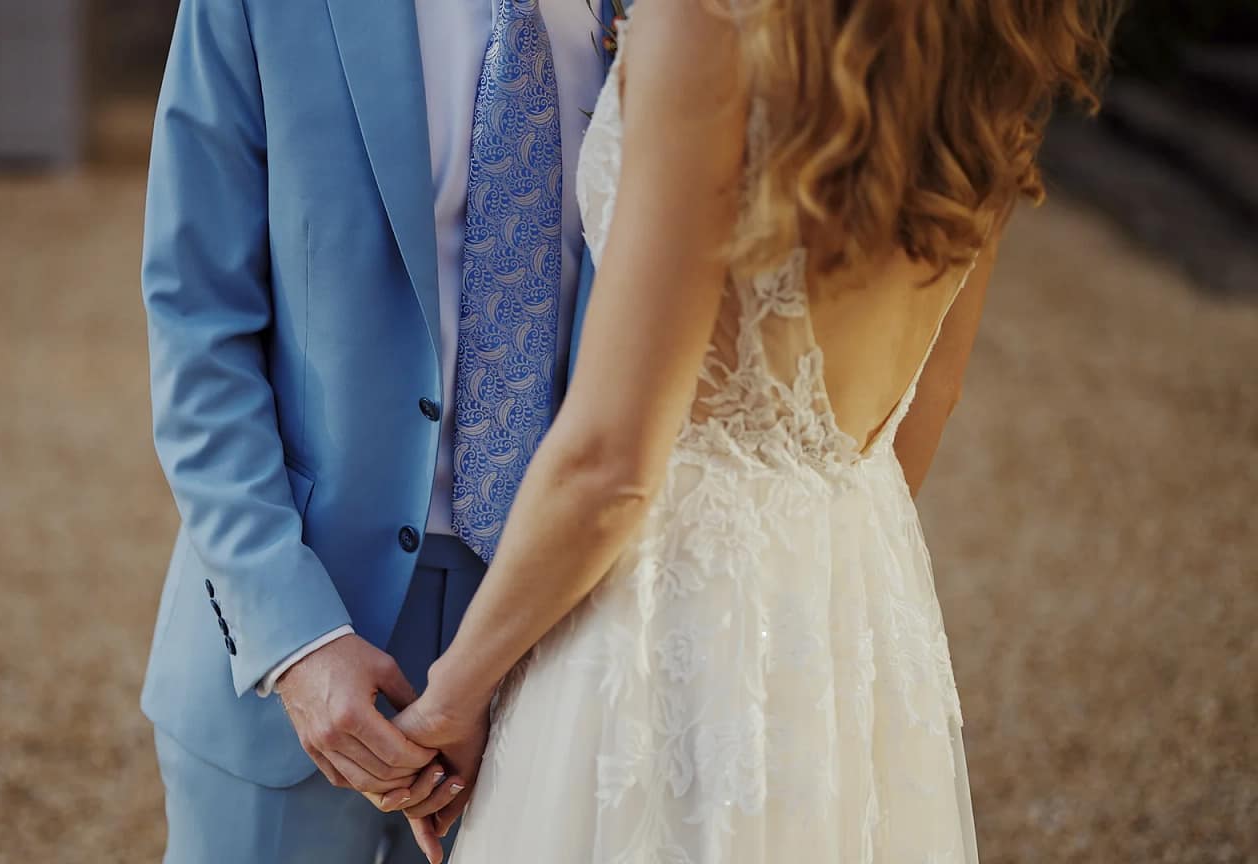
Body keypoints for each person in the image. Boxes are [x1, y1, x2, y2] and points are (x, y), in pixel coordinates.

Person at [384, 0, 1122, 861]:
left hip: (661, 614)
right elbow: (934, 396)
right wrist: (806, 599)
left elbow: (611, 462)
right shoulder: (991, 50)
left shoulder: (707, 21)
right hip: (853, 603)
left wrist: (454, 695)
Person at [136, 0, 611, 860]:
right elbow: (196, 320)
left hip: (558, 652)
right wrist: (297, 639)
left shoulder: (664, 21)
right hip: (301, 636)